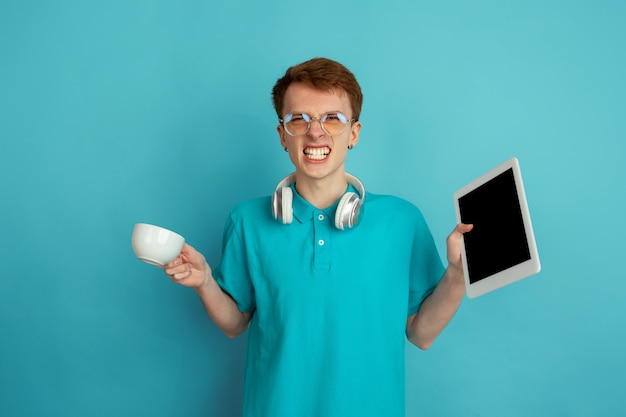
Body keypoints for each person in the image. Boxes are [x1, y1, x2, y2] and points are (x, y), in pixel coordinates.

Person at [163, 57, 473, 417]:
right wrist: (204, 281)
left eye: (332, 118)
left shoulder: (402, 221)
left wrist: (455, 275)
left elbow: (421, 334)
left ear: (353, 133)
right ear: (282, 135)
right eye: (299, 119)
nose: (315, 132)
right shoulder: (246, 220)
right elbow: (235, 324)